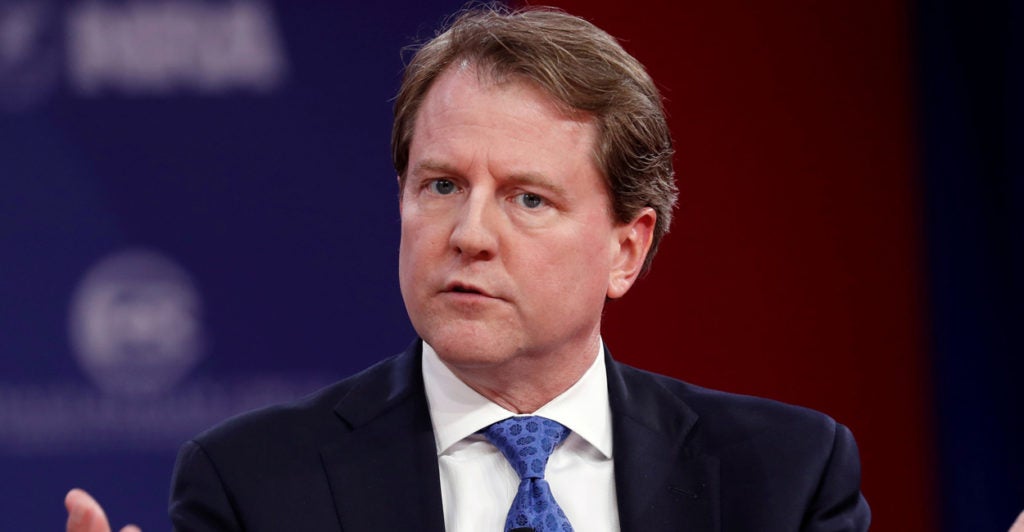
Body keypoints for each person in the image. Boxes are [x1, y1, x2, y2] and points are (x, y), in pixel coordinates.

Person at [67, 5, 873, 531]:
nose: (470, 234)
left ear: (626, 249)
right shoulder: (256, 485)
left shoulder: (783, 477)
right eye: (443, 186)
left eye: (528, 198)